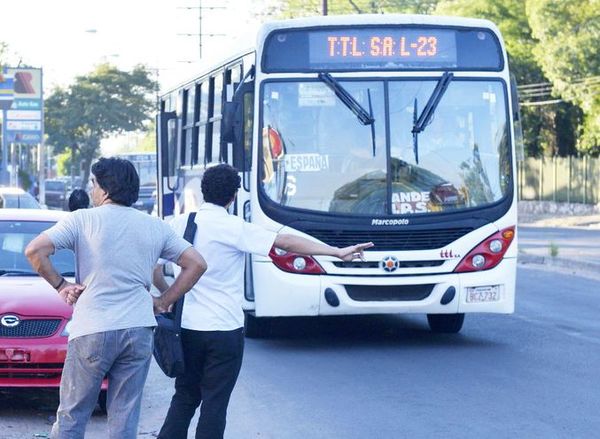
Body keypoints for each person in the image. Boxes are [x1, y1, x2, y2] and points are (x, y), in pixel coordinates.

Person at [153, 163, 373, 439]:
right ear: (233, 196)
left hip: (186, 329)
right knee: (214, 404)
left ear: (203, 191)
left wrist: (167, 297)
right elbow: (287, 243)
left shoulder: (179, 224)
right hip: (224, 330)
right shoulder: (235, 227)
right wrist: (336, 252)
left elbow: (154, 267)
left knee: (184, 397)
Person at [25, 157, 207, 439]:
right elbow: (196, 263)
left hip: (93, 328)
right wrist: (163, 300)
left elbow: (35, 251)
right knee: (124, 419)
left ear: (106, 189)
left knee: (73, 415)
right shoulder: (154, 225)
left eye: (94, 184)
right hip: (138, 329)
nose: (92, 190)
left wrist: (61, 285)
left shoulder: (82, 219)